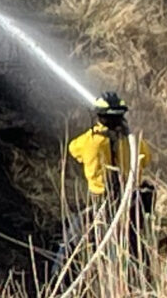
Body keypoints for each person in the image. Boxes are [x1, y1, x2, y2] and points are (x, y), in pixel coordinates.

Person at [66, 91, 155, 249]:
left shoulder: (91, 141)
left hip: (102, 203)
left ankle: (59, 272)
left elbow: (73, 149)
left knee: (72, 240)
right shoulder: (133, 141)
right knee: (131, 242)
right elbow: (146, 158)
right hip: (131, 201)